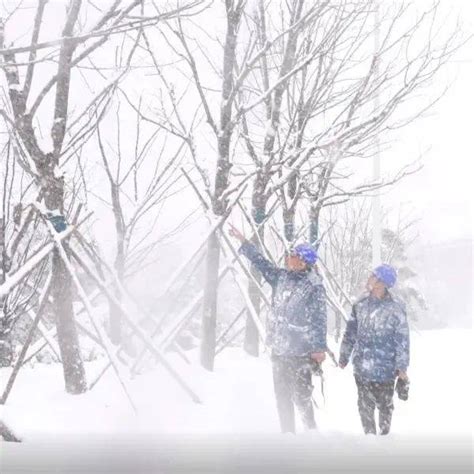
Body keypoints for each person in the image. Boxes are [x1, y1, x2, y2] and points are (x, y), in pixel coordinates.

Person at [228, 225, 327, 433]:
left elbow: (319, 319)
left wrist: (318, 349)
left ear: (303, 261)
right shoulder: (281, 277)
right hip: (280, 349)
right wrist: (244, 242)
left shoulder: (314, 286)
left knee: (302, 397)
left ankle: (311, 433)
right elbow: (261, 263)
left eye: (293, 255)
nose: (288, 258)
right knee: (282, 397)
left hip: (300, 352)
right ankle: (287, 435)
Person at [339, 264, 410, 435]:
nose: (369, 278)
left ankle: (384, 441)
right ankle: (369, 441)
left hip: (386, 369)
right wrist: (344, 355)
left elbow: (402, 339)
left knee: (385, 408)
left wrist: (402, 367)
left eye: (373, 276)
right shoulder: (360, 304)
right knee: (364, 407)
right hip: (362, 368)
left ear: (382, 282)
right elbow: (351, 332)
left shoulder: (396, 307)